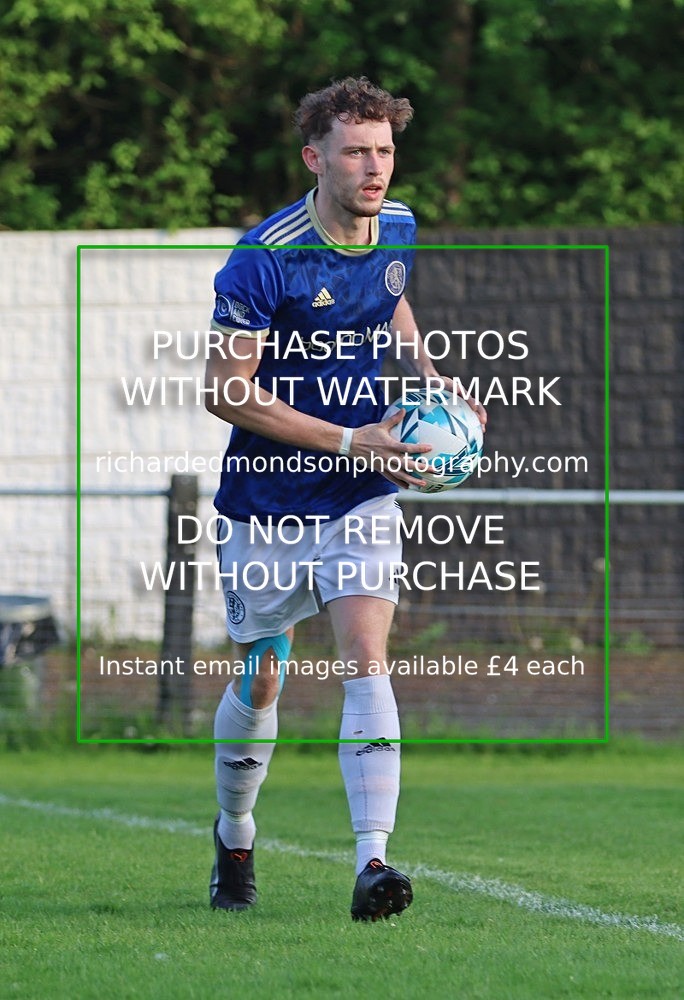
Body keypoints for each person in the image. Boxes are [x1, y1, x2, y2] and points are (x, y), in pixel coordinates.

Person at [205, 76, 486, 921]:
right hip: (268, 501)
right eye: (358, 151)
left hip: (363, 493)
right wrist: (345, 437)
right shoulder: (265, 256)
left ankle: (374, 864)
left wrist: (433, 381)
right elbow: (224, 391)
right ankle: (234, 831)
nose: (375, 168)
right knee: (263, 680)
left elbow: (391, 294)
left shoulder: (396, 225)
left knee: (367, 657)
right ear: (314, 157)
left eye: (386, 151)